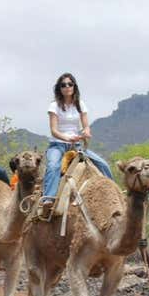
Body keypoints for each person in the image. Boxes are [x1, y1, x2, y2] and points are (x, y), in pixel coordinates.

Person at [42, 73, 114, 212]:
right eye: (63, 85)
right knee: (53, 165)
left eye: (70, 84)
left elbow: (86, 126)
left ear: (74, 86)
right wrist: (67, 138)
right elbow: (54, 131)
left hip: (77, 146)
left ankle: (113, 194)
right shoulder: (54, 106)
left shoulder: (80, 105)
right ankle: (48, 198)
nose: (67, 87)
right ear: (59, 88)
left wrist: (86, 132)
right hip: (58, 144)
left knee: (103, 164)